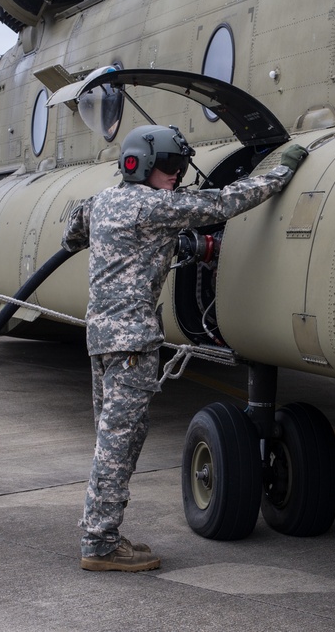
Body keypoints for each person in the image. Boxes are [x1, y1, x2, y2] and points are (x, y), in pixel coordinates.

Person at [61, 124, 307, 572]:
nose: (176, 174)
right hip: (132, 343)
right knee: (118, 445)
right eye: (170, 166)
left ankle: (104, 533)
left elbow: (72, 233)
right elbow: (224, 202)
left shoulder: (103, 202)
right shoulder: (156, 208)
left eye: (179, 165)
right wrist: (279, 173)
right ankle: (98, 544)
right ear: (142, 166)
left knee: (119, 439)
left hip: (101, 340)